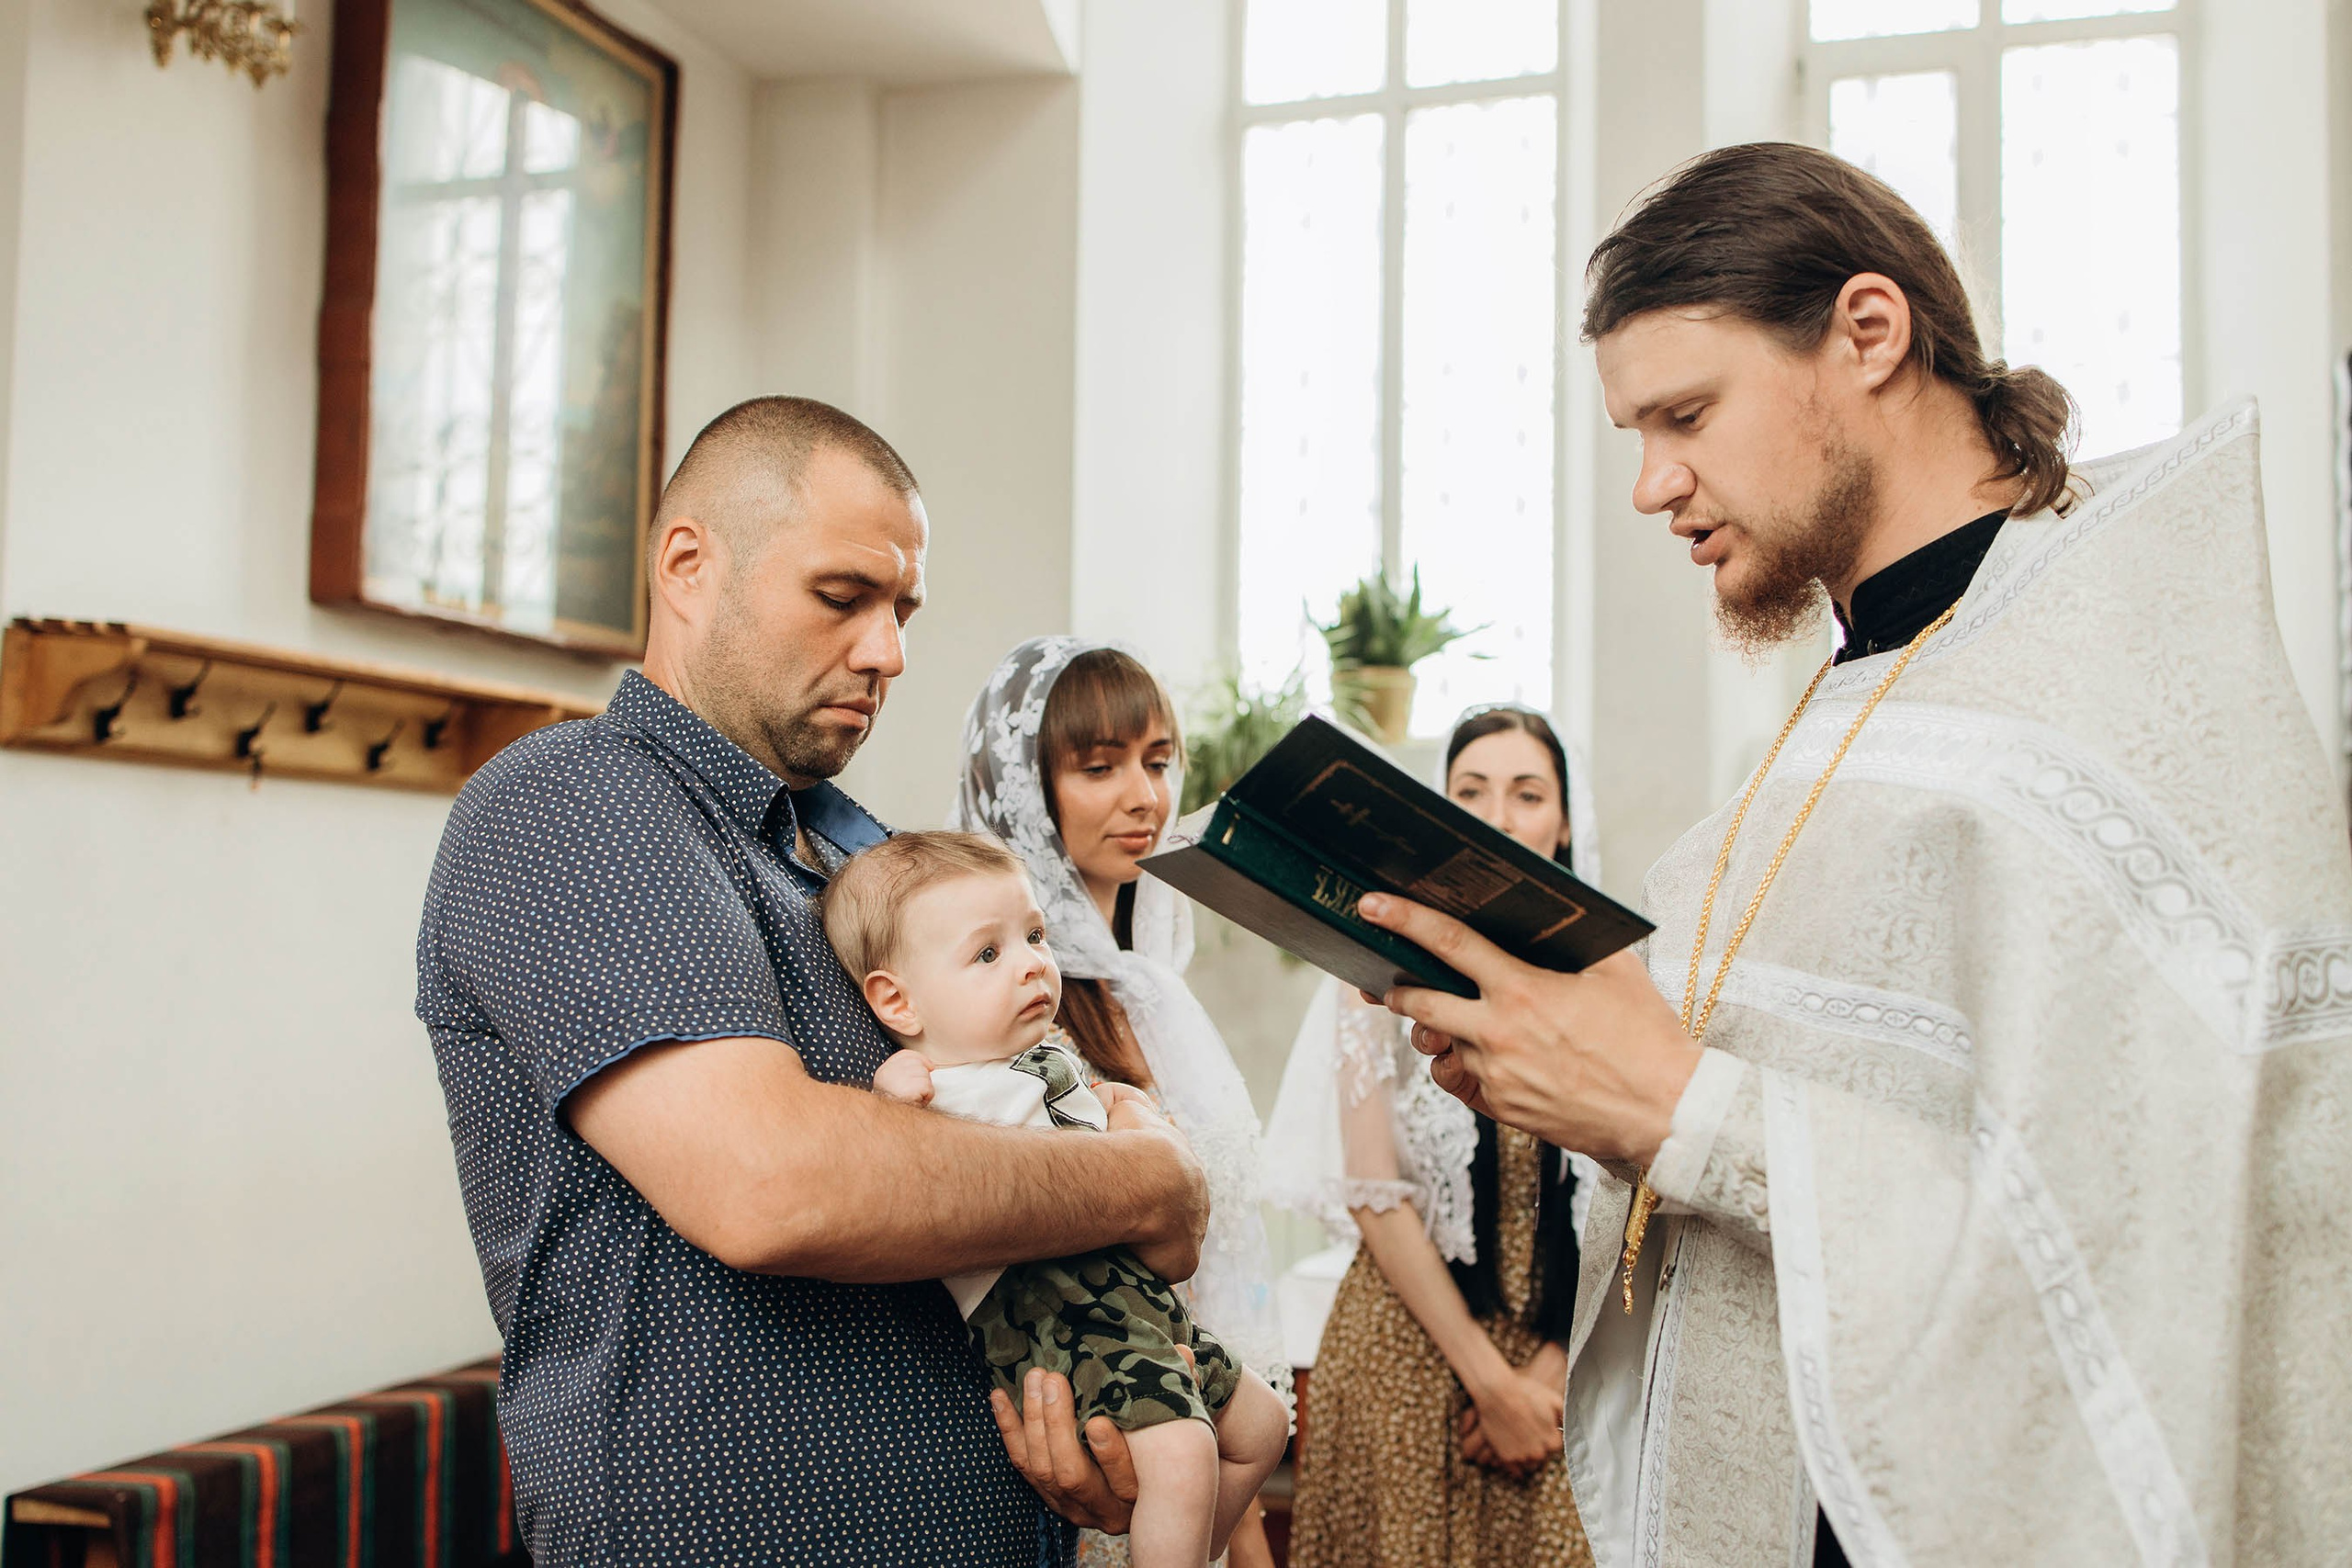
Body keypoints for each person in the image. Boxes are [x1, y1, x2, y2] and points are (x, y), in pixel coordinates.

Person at [1360, 142, 2352, 1565]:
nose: (1651, 485)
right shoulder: (1861, 691)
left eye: (1684, 414)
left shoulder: (2124, 686)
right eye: (1635, 431)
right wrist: (1570, 1067)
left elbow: (2160, 1249)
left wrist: (1672, 1105)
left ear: (1868, 333)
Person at [414, 397, 1208, 1566]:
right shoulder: (572, 804)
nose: (886, 650)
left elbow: (1041, 1121)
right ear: (688, 565)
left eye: (902, 610)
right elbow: (769, 1182)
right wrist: (1146, 1179)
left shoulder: (860, 863)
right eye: (843, 598)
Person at [819, 829, 1291, 1568]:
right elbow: (893, 1167)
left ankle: (1188, 1552)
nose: (1032, 963)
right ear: (898, 999)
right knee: (1184, 1449)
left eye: (1035, 934)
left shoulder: (1051, 1055)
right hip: (1044, 1305)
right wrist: (892, 1093)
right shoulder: (934, 1081)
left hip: (1134, 1298)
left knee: (1262, 1426)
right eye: (988, 953)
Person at [949, 637, 1291, 1568]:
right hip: (1104, 1426)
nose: (1145, 797)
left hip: (1213, 1430)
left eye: (1158, 760)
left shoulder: (1152, 989)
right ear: (1022, 787)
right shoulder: (1003, 1012)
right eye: (1099, 768)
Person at [1267, 706, 1599, 1567]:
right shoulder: (1375, 975)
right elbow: (1376, 1196)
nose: (1499, 816)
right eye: (1470, 792)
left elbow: (1627, 1198)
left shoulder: (1605, 984)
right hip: (1405, 1354)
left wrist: (1546, 1381)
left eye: (1527, 793)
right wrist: (1491, 1385)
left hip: (1559, 1364)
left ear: (1564, 821)